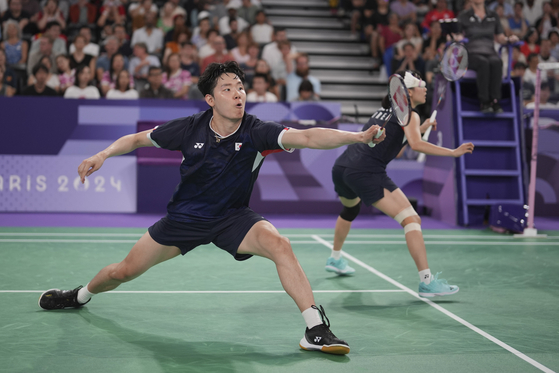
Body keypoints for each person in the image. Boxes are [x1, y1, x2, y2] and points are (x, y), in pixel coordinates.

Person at [38, 61, 385, 356]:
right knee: (123, 272)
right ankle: (80, 295)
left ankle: (315, 329)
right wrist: (101, 155)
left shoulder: (257, 131)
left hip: (233, 217)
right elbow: (136, 139)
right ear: (210, 99)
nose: (238, 95)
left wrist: (356, 137)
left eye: (240, 88)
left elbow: (308, 137)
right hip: (184, 218)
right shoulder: (189, 128)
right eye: (228, 89)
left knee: (280, 244)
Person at [325, 70, 474, 296]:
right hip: (367, 171)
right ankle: (426, 281)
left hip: (343, 167)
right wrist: (452, 152)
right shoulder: (410, 116)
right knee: (411, 219)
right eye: (421, 86)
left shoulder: (384, 111)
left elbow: (395, 147)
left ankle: (334, 258)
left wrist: (420, 128)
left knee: (350, 209)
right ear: (409, 92)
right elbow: (415, 145)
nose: (425, 89)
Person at [457, 0, 519, 113]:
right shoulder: (464, 16)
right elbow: (458, 34)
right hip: (471, 54)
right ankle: (484, 102)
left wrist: (509, 39)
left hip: (490, 52)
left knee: (496, 62)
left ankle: (495, 101)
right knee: (483, 63)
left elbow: (500, 37)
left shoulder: (493, 15)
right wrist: (457, 38)